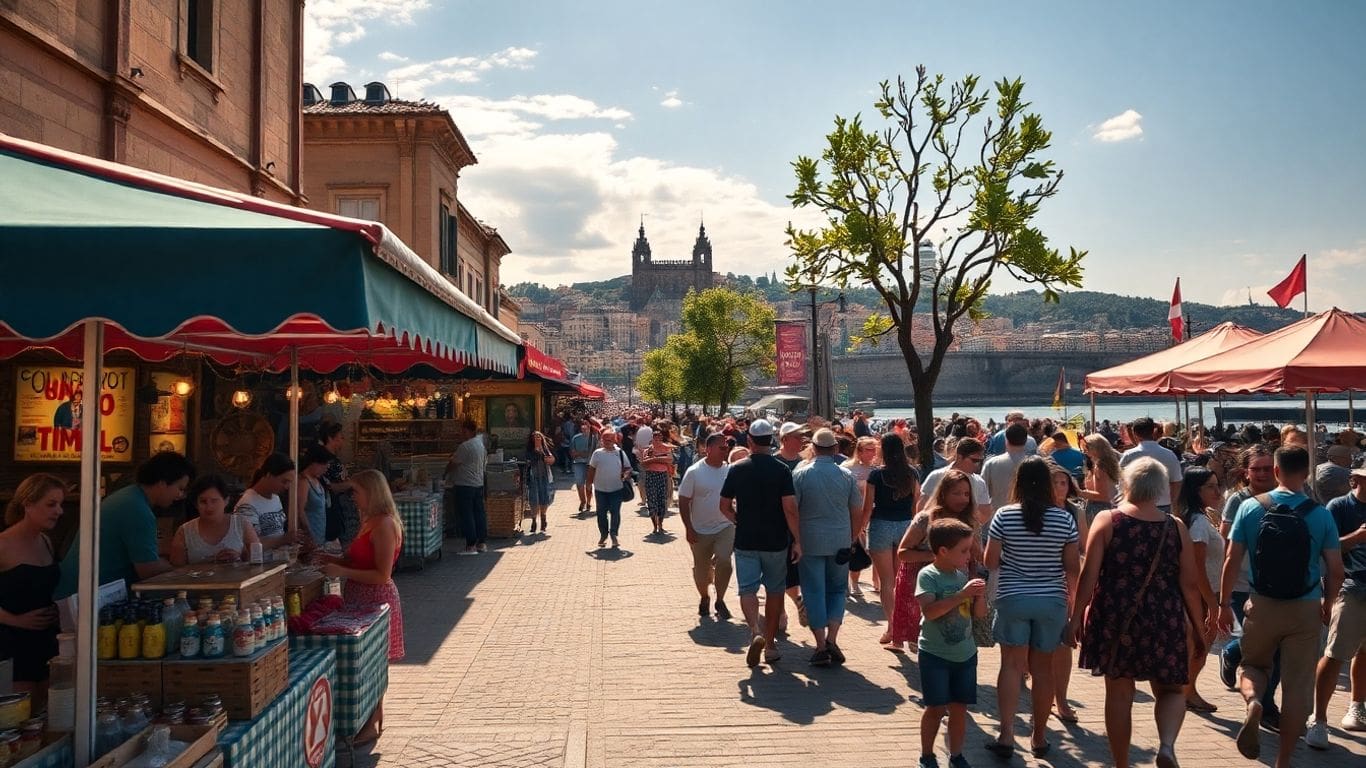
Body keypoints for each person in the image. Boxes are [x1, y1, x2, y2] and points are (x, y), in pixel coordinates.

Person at [1070, 457, 1207, 768]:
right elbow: (1189, 585)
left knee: (1119, 692)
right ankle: (1167, 745)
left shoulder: (1108, 520)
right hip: (1164, 614)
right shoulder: (1175, 526)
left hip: (1116, 614)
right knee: (1171, 689)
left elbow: (1089, 574)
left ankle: (1121, 763)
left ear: (1126, 483)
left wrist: (1076, 617)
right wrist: (1198, 630)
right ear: (1160, 489)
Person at [1217, 446, 1344, 768]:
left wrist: (1223, 603)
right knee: (1297, 687)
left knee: (1253, 666)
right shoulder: (1321, 514)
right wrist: (1329, 603)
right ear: (1307, 473)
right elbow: (1336, 569)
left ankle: (1254, 702)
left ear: (1275, 471)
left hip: (1261, 604)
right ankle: (1283, 760)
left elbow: (1231, 559)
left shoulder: (1250, 507)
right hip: (1305, 607)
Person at [983, 456, 1080, 759]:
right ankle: (1039, 737)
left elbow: (990, 561)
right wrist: (1073, 607)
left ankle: (1007, 734)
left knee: (1011, 667)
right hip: (1052, 601)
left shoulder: (1004, 515)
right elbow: (1072, 567)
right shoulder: (1064, 519)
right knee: (1043, 670)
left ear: (1019, 482)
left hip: (1013, 597)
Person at [318, 469, 404, 743]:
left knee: (374, 662)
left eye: (355, 491)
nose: (352, 497)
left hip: (376, 598)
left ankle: (373, 718)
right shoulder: (369, 521)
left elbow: (382, 574)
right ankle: (371, 717)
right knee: (366, 662)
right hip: (359, 597)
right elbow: (359, 560)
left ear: (371, 492)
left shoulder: (384, 524)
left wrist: (342, 571)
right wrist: (331, 559)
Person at [55, 451, 192, 597]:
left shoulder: (130, 496)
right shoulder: (137, 509)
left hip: (80, 591)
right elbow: (148, 569)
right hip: (84, 598)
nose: (180, 495)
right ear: (162, 483)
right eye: (180, 488)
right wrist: (181, 570)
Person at [719, 419, 799, 668]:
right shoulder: (781, 470)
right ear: (772, 441)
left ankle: (755, 630)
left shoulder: (737, 468)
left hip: (746, 539)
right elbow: (790, 508)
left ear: (750, 441)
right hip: (776, 540)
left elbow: (724, 505)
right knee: (775, 591)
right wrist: (798, 539)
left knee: (747, 589)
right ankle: (771, 645)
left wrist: (737, 519)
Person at [1216, 444, 1283, 728]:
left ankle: (1267, 704)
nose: (1263, 474)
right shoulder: (1238, 500)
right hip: (1242, 583)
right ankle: (1232, 654)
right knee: (1254, 642)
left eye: (1268, 468)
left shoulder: (1286, 496)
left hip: (1278, 584)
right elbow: (1225, 542)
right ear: (1246, 472)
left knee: (1275, 646)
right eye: (1257, 469)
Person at [916, 518, 987, 768]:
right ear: (944, 551)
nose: (969, 556)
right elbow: (930, 612)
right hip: (935, 655)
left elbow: (979, 615)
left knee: (959, 709)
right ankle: (927, 755)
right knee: (935, 708)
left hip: (965, 655)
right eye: (964, 550)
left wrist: (979, 596)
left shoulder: (961, 576)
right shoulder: (928, 575)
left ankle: (956, 755)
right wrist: (962, 594)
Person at [791, 428, 863, 667]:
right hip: (840, 540)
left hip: (810, 540)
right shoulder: (846, 476)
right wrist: (853, 537)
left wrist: (796, 539)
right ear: (835, 449)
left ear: (813, 448)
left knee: (813, 590)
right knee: (837, 590)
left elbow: (793, 509)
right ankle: (832, 638)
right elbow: (856, 511)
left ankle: (821, 644)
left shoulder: (800, 474)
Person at [1307, 465, 1366, 746]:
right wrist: (1357, 537)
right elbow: (1325, 547)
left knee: (1364, 653)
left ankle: (1357, 706)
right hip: (1350, 588)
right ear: (1357, 480)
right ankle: (1318, 718)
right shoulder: (1339, 507)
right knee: (1335, 653)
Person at [896, 470, 982, 653]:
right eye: (956, 493)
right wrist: (935, 556)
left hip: (960, 587)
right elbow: (903, 553)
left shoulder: (971, 521)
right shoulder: (925, 519)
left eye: (966, 494)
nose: (963, 499)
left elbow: (978, 557)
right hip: (929, 587)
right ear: (943, 493)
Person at [0, 474, 65, 707]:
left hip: (47, 640)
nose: (59, 511)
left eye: (60, 504)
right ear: (28, 504)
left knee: (50, 709)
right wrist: (16, 620)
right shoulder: (3, 544)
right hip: (11, 642)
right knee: (18, 711)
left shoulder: (46, 541)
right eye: (51, 504)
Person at [862, 433, 919, 647]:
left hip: (881, 525)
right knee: (903, 580)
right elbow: (916, 505)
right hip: (905, 526)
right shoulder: (912, 473)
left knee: (886, 582)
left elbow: (868, 507)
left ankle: (893, 628)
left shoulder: (876, 475)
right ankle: (907, 628)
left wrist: (859, 530)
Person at [1174, 467, 1223, 712]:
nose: (1217, 491)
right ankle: (1187, 692)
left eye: (1217, 485)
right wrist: (1212, 603)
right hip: (1202, 595)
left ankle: (1187, 691)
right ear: (1196, 490)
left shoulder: (1199, 517)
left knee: (1198, 645)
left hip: (1202, 593)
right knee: (1200, 646)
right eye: (1210, 487)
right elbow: (1197, 567)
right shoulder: (1199, 522)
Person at [1044, 458, 1089, 724]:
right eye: (1055, 483)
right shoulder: (1037, 511)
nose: (1060, 487)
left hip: (1067, 582)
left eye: (1064, 482)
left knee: (1063, 645)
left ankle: (1060, 698)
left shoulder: (1075, 511)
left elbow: (1085, 546)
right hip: (1043, 582)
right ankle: (1045, 694)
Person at [678, 433, 734, 620]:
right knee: (701, 571)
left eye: (727, 447)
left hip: (725, 526)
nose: (726, 450)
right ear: (708, 449)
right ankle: (704, 596)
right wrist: (688, 527)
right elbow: (684, 501)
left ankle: (720, 600)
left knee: (725, 561)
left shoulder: (730, 471)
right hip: (700, 530)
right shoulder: (694, 472)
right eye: (722, 447)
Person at [170, 475, 259, 565]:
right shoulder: (185, 532)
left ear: (226, 501)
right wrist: (209, 563)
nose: (209, 507)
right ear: (196, 504)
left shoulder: (241, 524)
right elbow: (177, 569)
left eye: (214, 501)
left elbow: (257, 560)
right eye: (203, 502)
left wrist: (237, 559)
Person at [918, 437, 991, 526]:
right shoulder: (936, 476)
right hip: (937, 530)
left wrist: (967, 526)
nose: (978, 465)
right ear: (959, 457)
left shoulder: (979, 482)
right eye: (974, 460)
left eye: (980, 461)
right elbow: (921, 507)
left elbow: (985, 512)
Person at [235, 453, 302, 549]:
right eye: (284, 481)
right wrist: (284, 539)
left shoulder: (276, 498)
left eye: (289, 482)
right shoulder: (247, 505)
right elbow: (249, 546)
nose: (287, 487)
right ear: (269, 475)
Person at [1119, 417, 1183, 511]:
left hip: (1135, 506)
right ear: (1153, 431)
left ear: (1134, 433)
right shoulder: (1169, 454)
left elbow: (1121, 481)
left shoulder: (1129, 455)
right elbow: (1176, 482)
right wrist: (1174, 505)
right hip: (1163, 505)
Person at [842, 436, 879, 596]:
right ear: (860, 451)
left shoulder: (875, 470)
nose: (873, 453)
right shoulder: (847, 468)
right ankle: (847, 583)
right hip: (849, 514)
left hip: (870, 515)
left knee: (865, 550)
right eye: (869, 450)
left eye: (874, 449)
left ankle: (859, 583)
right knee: (850, 549)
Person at [446, 419, 488, 556]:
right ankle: (481, 542)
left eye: (463, 431)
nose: (461, 434)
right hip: (478, 483)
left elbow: (453, 464)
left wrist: (445, 473)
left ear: (467, 431)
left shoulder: (465, 446)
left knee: (467, 514)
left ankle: (471, 545)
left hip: (465, 484)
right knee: (479, 513)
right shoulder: (480, 445)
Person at [316, 421, 360, 546]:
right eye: (341, 437)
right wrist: (352, 484)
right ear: (330, 438)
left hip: (343, 509)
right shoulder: (325, 461)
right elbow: (329, 487)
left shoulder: (333, 459)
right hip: (337, 509)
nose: (342, 441)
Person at [586, 429, 630, 549]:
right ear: (601, 440)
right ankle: (603, 535)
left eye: (609, 440)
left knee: (615, 512)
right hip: (600, 489)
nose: (607, 442)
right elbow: (591, 469)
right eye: (604, 440)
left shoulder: (620, 453)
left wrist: (626, 475)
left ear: (614, 440)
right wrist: (588, 484)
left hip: (617, 489)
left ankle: (614, 535)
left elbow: (628, 468)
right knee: (601, 514)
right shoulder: (597, 453)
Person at [982, 423, 1030, 513]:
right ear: (1026, 440)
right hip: (1029, 515)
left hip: (998, 515)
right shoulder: (1035, 464)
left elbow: (982, 494)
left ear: (1006, 439)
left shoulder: (991, 464)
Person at [297, 444, 333, 549]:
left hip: (320, 534)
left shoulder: (317, 479)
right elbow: (300, 511)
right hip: (310, 538)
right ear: (314, 463)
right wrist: (309, 535)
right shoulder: (303, 481)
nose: (325, 469)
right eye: (324, 465)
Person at [641, 427, 676, 536]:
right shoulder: (648, 450)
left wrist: (654, 459)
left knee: (662, 501)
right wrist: (659, 459)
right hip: (651, 476)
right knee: (652, 501)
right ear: (652, 439)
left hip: (662, 476)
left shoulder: (666, 449)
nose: (657, 441)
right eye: (655, 439)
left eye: (659, 439)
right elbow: (644, 463)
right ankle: (654, 526)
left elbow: (669, 460)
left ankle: (660, 524)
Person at [1080, 433, 1121, 521]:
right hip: (1112, 507)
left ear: (1095, 449)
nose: (1084, 452)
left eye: (1086, 449)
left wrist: (1079, 492)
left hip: (1099, 509)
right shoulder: (1110, 461)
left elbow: (1102, 496)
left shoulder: (1100, 466)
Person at [524, 431, 555, 534]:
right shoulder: (529, 450)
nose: (537, 439)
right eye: (535, 437)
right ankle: (533, 520)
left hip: (544, 476)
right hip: (533, 477)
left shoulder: (545, 449)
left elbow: (551, 459)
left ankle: (543, 518)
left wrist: (545, 455)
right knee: (534, 499)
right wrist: (537, 451)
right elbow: (530, 459)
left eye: (539, 437)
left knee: (544, 498)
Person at [570, 421, 597, 514]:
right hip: (578, 463)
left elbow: (596, 451)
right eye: (583, 428)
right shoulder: (576, 438)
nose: (584, 430)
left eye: (586, 428)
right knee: (579, 483)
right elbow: (572, 453)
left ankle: (589, 502)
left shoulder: (594, 438)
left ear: (589, 428)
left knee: (589, 484)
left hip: (590, 464)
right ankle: (583, 501)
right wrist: (581, 453)